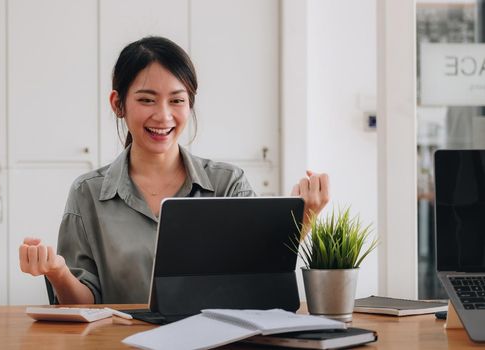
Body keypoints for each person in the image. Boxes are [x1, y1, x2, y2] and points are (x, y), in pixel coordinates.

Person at [19, 36, 330, 305]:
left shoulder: (227, 183)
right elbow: (85, 304)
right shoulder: (86, 192)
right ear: (118, 104)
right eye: (146, 99)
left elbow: (258, 271)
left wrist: (305, 218)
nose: (163, 115)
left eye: (177, 100)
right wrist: (57, 271)